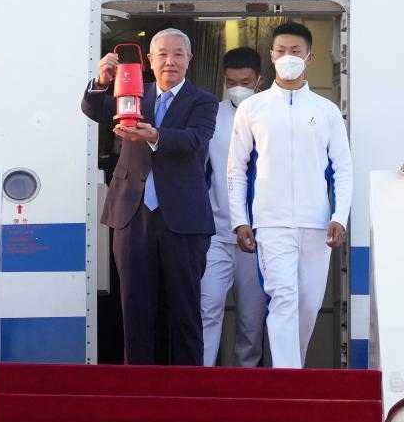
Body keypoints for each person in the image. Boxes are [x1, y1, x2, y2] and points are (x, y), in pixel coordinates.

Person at [82, 28, 218, 365]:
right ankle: (137, 384)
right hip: (132, 213)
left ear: (189, 60)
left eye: (178, 54)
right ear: (149, 60)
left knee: (185, 309)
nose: (170, 61)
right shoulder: (132, 93)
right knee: (135, 307)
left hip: (183, 218)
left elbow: (194, 141)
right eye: (163, 54)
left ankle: (188, 384)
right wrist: (101, 81)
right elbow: (93, 109)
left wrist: (155, 135)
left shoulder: (203, 100)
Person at [228, 22, 353, 369]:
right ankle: (289, 379)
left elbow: (343, 168)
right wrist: (240, 220)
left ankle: (290, 371)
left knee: (308, 305)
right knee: (283, 299)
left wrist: (339, 216)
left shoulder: (327, 111)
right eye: (281, 50)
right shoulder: (252, 108)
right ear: (271, 55)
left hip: (317, 225)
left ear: (309, 57)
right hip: (271, 224)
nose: (287, 57)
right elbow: (236, 169)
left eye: (295, 51)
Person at [200, 47, 268, 367]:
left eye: (245, 82)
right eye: (231, 82)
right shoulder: (210, 115)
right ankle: (201, 378)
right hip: (216, 233)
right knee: (207, 308)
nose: (237, 88)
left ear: (260, 80)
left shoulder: (272, 116)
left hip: (258, 236)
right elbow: (199, 171)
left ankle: (246, 383)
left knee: (251, 321)